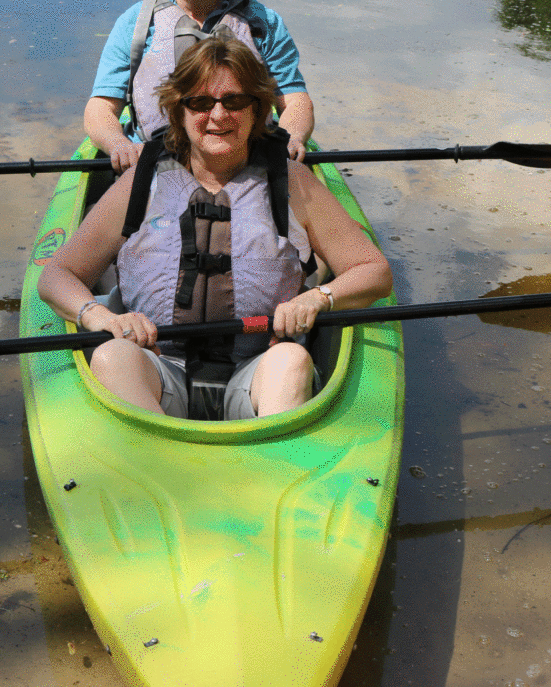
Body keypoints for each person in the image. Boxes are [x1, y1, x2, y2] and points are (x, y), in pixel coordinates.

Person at [39, 36, 391, 419]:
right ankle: (157, 454)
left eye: (234, 101)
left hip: (258, 369)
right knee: (111, 356)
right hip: (157, 367)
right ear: (179, 111)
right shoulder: (142, 182)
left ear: (257, 110)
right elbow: (58, 275)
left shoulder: (291, 182)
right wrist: (101, 317)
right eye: (201, 103)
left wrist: (317, 297)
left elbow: (374, 272)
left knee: (291, 360)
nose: (218, 116)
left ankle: (272, 462)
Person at [84, 0, 315, 172]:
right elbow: (101, 107)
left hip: (248, 163)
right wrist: (117, 144)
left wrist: (292, 138)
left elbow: (295, 99)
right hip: (155, 163)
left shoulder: (264, 22)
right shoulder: (133, 23)